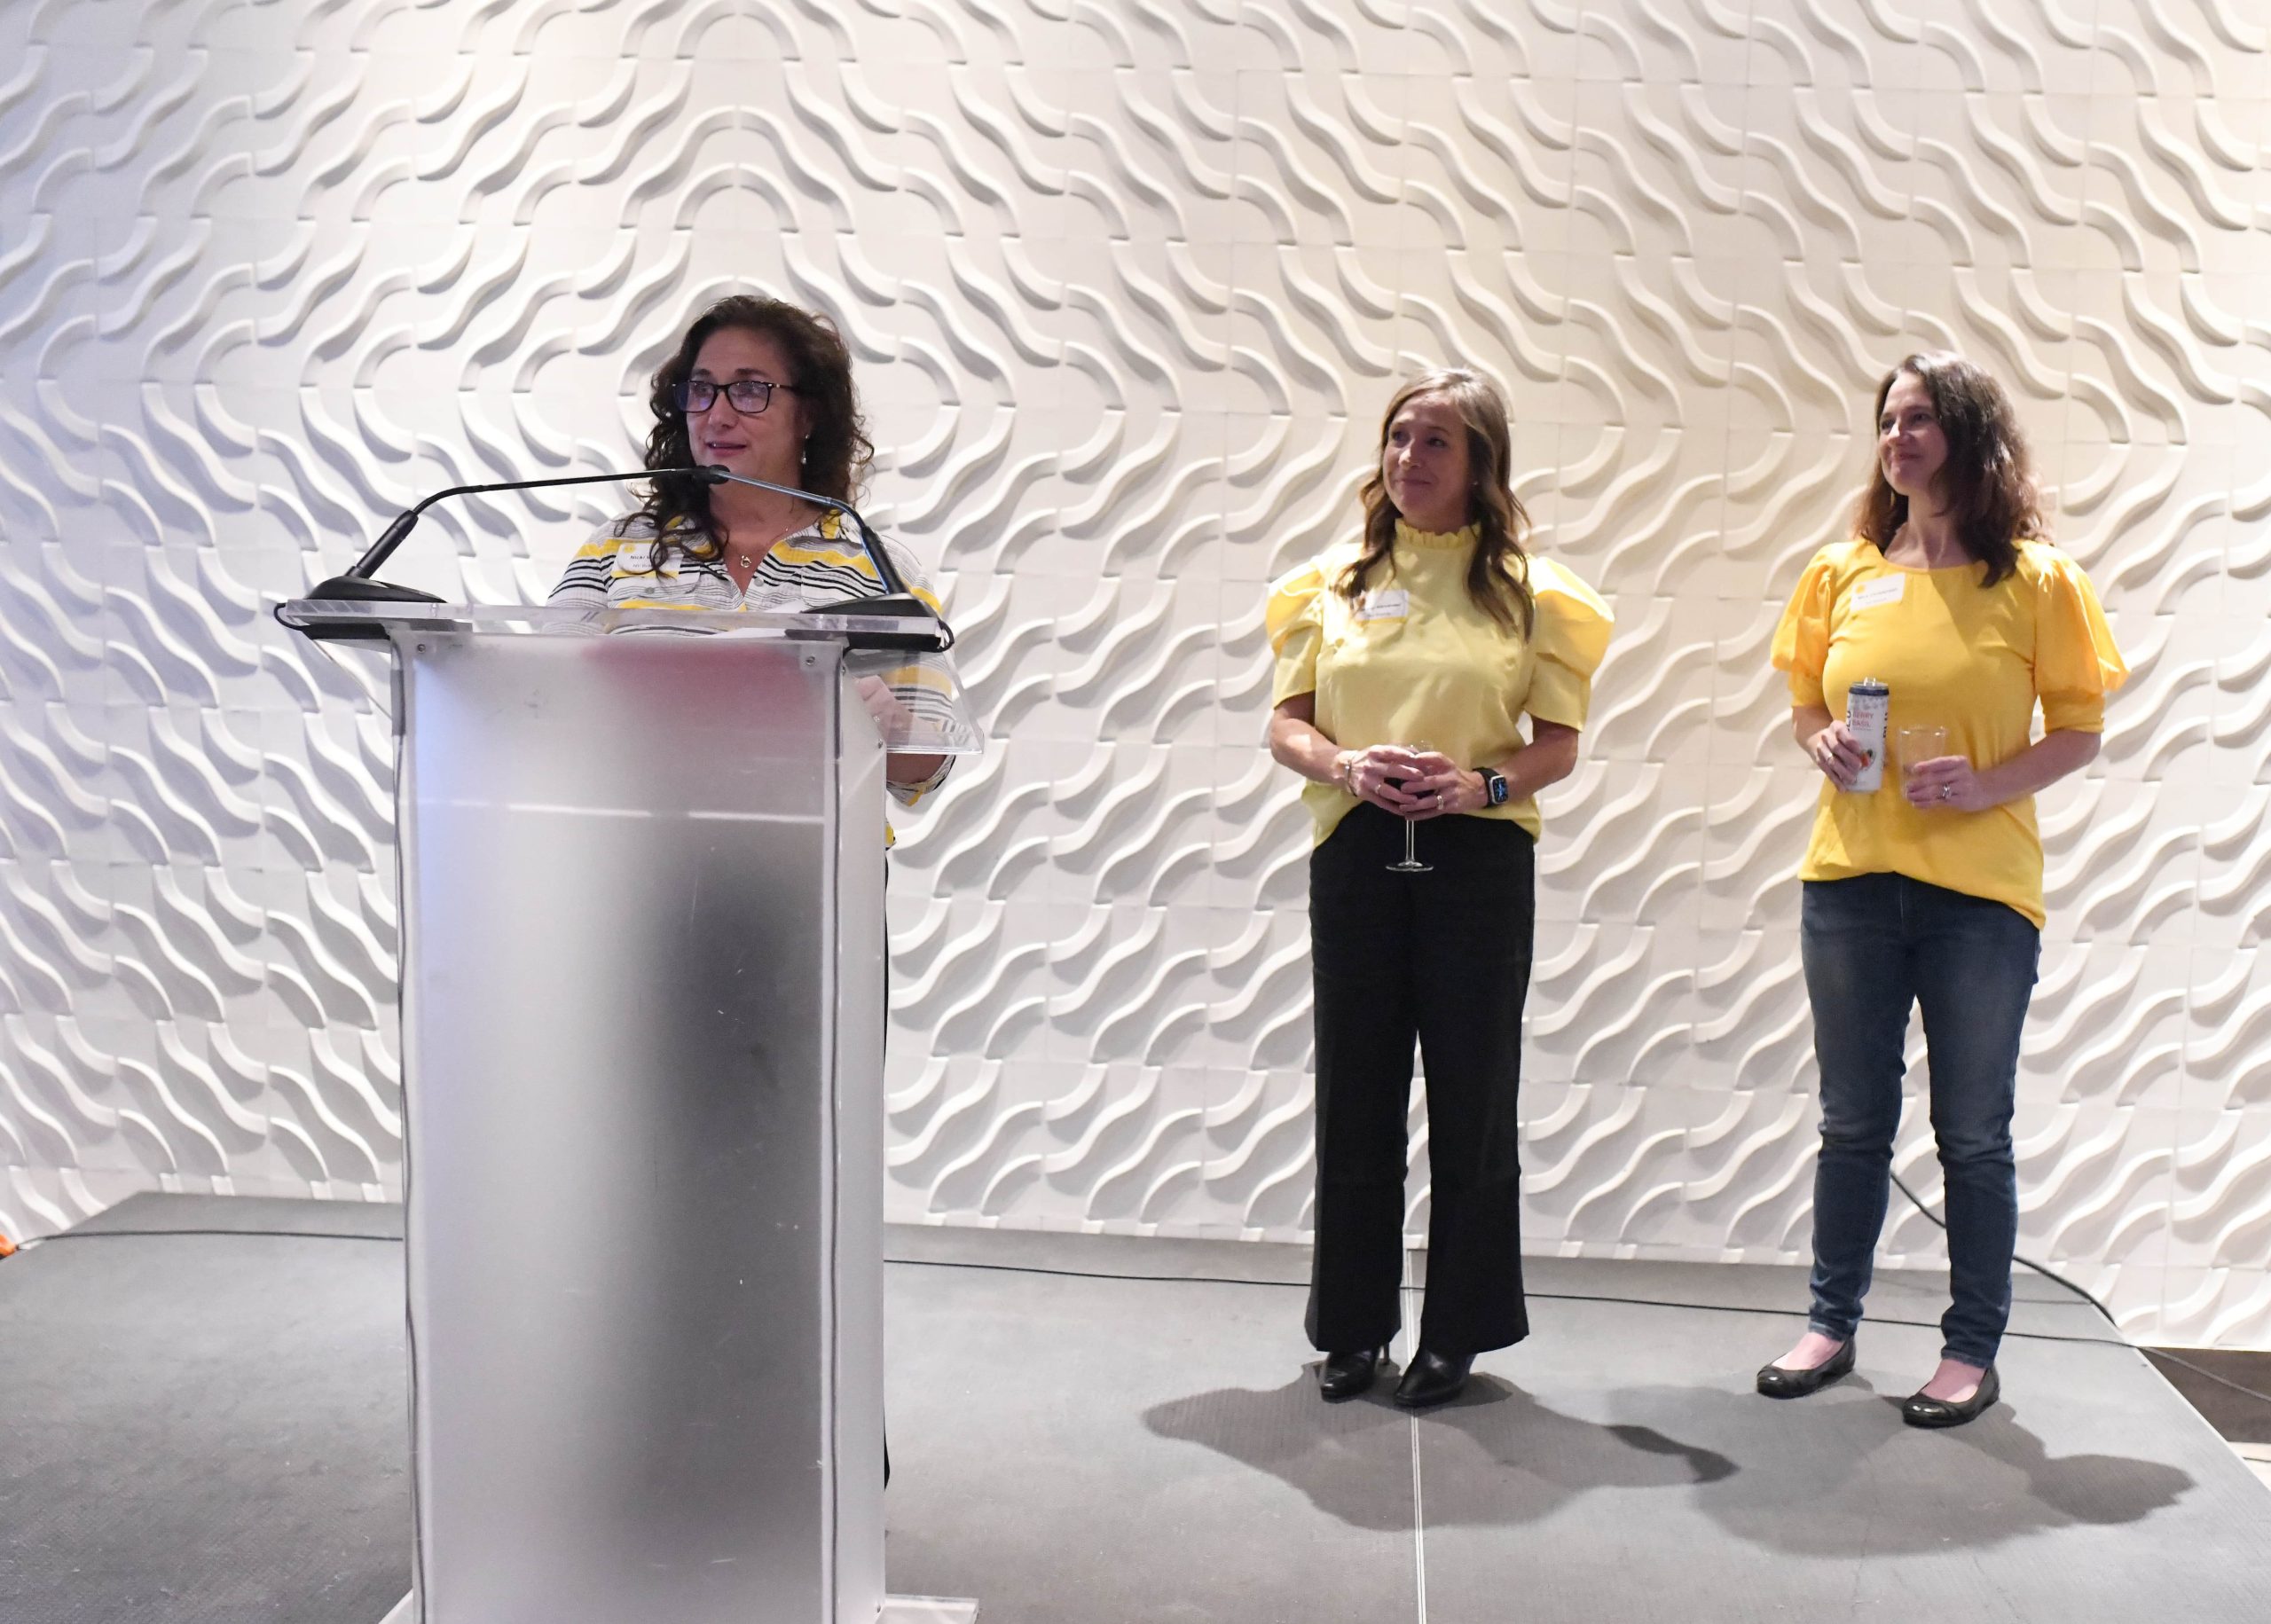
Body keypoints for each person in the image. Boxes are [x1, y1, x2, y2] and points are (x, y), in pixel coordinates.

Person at [1757, 351, 2126, 1428]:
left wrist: (1985, 784)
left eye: (1918, 418)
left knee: (1970, 1131)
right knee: (1851, 1121)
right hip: (1849, 884)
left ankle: (1970, 1350)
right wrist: (1818, 739)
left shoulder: (2038, 582)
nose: (1897, 437)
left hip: (1979, 898)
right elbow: (1803, 703)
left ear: (1967, 435)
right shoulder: (1840, 573)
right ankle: (1829, 1324)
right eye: (1887, 420)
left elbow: (2079, 730)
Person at [1264, 368, 1613, 1408]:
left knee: (1472, 1099)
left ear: (1480, 464)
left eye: (1435, 442)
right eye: (1398, 437)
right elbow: (1285, 724)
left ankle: (1455, 1331)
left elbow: (1556, 746)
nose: (1408, 458)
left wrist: (1480, 784)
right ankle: (1353, 1326)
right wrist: (1343, 765)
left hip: (1477, 858)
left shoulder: (1534, 594)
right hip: (1358, 848)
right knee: (1356, 1094)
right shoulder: (1329, 582)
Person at [549, 292, 954, 801]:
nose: (716, 415)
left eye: (748, 390)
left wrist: (883, 719)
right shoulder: (616, 549)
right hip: (639, 839)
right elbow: (542, 706)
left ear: (808, 415)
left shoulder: (880, 565)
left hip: (819, 845)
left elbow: (926, 773)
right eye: (701, 389)